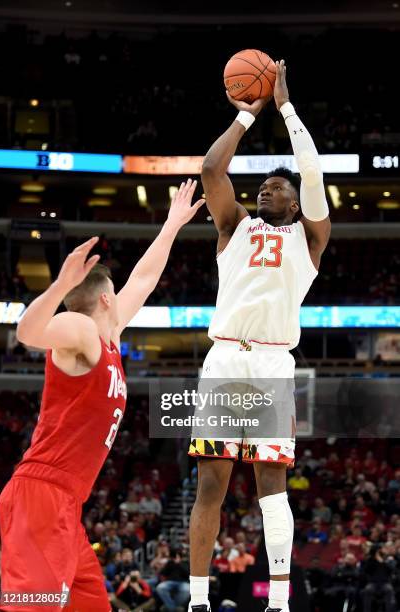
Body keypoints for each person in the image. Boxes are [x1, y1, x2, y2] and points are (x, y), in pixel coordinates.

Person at [0, 180, 204, 612]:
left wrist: (170, 226)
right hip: (41, 495)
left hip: (66, 504)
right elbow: (28, 332)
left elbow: (145, 278)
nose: (125, 295)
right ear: (107, 298)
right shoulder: (83, 330)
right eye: (118, 292)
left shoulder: (108, 335)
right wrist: (58, 286)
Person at [188, 60, 330, 612]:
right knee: (210, 486)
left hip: (272, 363)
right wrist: (247, 116)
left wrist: (287, 108)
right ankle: (199, 600)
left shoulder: (309, 240)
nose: (266, 190)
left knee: (272, 486)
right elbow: (211, 169)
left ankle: (278, 601)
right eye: (263, 186)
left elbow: (312, 172)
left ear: (295, 203)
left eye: (276, 187)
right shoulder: (235, 226)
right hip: (224, 359)